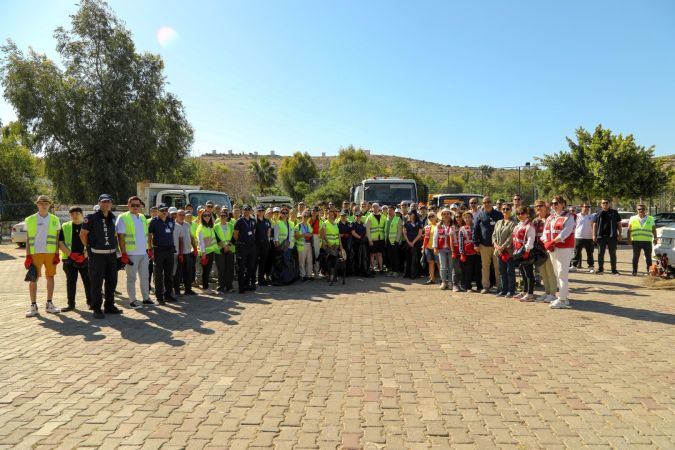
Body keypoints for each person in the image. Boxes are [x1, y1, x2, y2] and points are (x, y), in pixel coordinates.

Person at [80, 194, 121, 319]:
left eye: (108, 201)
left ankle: (109, 306)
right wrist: (89, 248)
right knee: (96, 283)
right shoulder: (91, 217)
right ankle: (96, 307)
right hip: (97, 255)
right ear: (99, 203)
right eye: (103, 202)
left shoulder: (113, 218)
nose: (106, 204)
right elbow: (83, 234)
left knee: (111, 282)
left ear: (111, 203)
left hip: (111, 255)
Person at [24, 195, 62, 317]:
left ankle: (49, 304)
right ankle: (33, 306)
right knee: (33, 278)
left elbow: (56, 239)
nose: (44, 205)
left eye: (46, 203)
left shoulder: (55, 219)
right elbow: (28, 239)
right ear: (37, 204)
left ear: (49, 205)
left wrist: (57, 253)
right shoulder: (29, 219)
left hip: (51, 253)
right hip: (35, 254)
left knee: (50, 277)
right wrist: (27, 256)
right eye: (41, 203)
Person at [116, 196, 153, 309]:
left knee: (145, 277)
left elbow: (146, 235)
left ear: (141, 206)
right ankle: (133, 301)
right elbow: (120, 237)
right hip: (131, 254)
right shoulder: (123, 217)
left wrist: (149, 250)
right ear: (128, 206)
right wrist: (124, 254)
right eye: (133, 205)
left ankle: (146, 298)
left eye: (138, 205)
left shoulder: (142, 217)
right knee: (131, 278)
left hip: (143, 253)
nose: (136, 207)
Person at [542, 196, 576, 309]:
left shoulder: (569, 217)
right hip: (552, 248)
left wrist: (552, 242)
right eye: (552, 203)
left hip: (564, 248)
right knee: (557, 273)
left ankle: (562, 299)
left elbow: (565, 233)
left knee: (562, 273)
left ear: (563, 204)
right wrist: (546, 242)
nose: (554, 205)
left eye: (556, 203)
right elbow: (544, 233)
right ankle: (563, 297)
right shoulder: (550, 217)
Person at [58, 206, 91, 312]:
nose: (74, 216)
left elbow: (92, 242)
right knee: (71, 282)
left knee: (88, 282)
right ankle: (71, 304)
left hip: (85, 259)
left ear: (82, 214)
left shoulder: (89, 226)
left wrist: (85, 255)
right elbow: (60, 243)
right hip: (70, 259)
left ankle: (91, 303)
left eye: (77, 213)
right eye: (72, 214)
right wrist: (70, 254)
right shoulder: (65, 226)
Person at [473, 196, 503, 293]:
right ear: (483, 204)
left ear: (492, 202)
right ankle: (486, 286)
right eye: (485, 202)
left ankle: (500, 287)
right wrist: (476, 244)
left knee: (498, 267)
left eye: (489, 202)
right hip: (484, 246)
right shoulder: (480, 215)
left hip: (497, 246)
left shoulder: (499, 215)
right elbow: (475, 230)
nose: (487, 204)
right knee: (485, 267)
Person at [533, 200, 557, 302]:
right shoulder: (535, 221)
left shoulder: (551, 219)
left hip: (549, 249)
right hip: (539, 250)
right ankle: (547, 292)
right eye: (537, 206)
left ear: (546, 207)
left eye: (541, 206)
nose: (539, 208)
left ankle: (552, 293)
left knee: (550, 272)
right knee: (543, 272)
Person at [512, 206, 536, 302]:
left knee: (529, 273)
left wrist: (527, 251)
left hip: (526, 252)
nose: (520, 215)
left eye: (522, 213)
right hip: (518, 252)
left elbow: (531, 239)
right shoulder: (518, 225)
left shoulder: (529, 226)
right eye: (518, 214)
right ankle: (525, 291)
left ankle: (530, 294)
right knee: (523, 273)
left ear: (527, 214)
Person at [592, 199, 622, 275]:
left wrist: (620, 233)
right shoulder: (598, 213)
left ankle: (614, 270)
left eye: (606, 203)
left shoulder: (614, 212)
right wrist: (593, 235)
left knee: (612, 254)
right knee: (600, 254)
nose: (605, 204)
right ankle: (600, 269)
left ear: (609, 204)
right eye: (603, 203)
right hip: (601, 237)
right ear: (601, 204)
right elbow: (594, 224)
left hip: (612, 236)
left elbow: (619, 223)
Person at [493, 203, 516, 298]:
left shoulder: (513, 223)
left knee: (510, 271)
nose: (505, 211)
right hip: (498, 251)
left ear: (511, 210)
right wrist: (496, 244)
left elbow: (511, 237)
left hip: (508, 251)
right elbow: (493, 234)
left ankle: (511, 291)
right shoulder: (498, 222)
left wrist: (503, 246)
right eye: (503, 209)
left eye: (507, 209)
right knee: (502, 271)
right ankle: (503, 290)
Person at [627, 204, 657, 276]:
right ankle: (634, 271)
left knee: (648, 257)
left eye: (643, 209)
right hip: (636, 241)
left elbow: (654, 229)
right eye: (639, 209)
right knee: (635, 257)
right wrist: (629, 239)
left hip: (647, 241)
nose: (641, 210)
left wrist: (655, 238)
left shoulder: (650, 218)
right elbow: (629, 230)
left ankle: (649, 271)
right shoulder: (632, 218)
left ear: (645, 210)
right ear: (637, 210)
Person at [234, 205, 258, 292]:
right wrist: (241, 242)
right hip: (242, 247)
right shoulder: (239, 221)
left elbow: (254, 232)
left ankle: (247, 284)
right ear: (242, 211)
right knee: (242, 267)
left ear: (251, 211)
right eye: (245, 210)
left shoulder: (253, 221)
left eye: (248, 209)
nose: (247, 211)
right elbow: (235, 235)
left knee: (251, 267)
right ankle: (241, 287)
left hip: (251, 247)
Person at [174, 209, 197, 296]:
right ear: (176, 215)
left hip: (187, 252)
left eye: (183, 215)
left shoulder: (187, 225)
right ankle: (177, 290)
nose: (182, 216)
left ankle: (188, 289)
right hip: (177, 253)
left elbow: (191, 237)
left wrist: (195, 248)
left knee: (188, 271)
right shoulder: (173, 225)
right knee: (177, 273)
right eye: (180, 214)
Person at [272, 207, 296, 285]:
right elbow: (276, 237)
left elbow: (292, 235)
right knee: (281, 264)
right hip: (281, 247)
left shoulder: (291, 223)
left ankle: (287, 279)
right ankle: (280, 279)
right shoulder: (277, 223)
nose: (285, 214)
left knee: (288, 263)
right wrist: (278, 247)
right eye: (283, 213)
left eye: (286, 213)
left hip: (289, 247)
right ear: (280, 214)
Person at [196, 209, 219, 294]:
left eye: (208, 215)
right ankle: (205, 288)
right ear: (201, 217)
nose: (207, 217)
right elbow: (201, 242)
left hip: (210, 251)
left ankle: (206, 287)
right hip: (205, 252)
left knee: (208, 270)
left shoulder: (209, 226)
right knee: (205, 271)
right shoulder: (201, 227)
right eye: (205, 215)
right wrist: (203, 253)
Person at [458, 211, 481, 292]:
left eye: (469, 217)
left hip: (476, 251)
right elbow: (460, 241)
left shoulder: (476, 226)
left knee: (478, 270)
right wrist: (462, 253)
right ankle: (468, 286)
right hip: (467, 253)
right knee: (468, 270)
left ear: (472, 218)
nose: (467, 219)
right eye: (466, 217)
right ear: (463, 219)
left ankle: (479, 286)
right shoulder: (462, 229)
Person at [570, 202, 595, 273]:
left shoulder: (591, 216)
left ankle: (591, 267)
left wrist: (593, 235)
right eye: (585, 207)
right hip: (578, 237)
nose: (587, 208)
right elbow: (573, 226)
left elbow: (593, 227)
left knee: (589, 253)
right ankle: (574, 266)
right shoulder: (576, 216)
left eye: (588, 207)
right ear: (581, 207)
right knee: (577, 253)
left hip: (589, 237)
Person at [215, 209, 236, 293]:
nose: (223, 217)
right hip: (220, 250)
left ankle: (229, 286)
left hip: (230, 249)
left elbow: (234, 236)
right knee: (221, 269)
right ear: (219, 217)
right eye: (221, 216)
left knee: (230, 269)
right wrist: (224, 246)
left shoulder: (231, 225)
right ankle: (221, 287)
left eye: (225, 216)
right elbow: (215, 238)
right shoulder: (215, 226)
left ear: (227, 217)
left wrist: (229, 246)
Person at [433, 208, 453, 290]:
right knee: (443, 266)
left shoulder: (453, 224)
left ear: (450, 215)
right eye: (444, 214)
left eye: (447, 214)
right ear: (441, 216)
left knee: (451, 266)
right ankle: (444, 282)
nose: (446, 215)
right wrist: (435, 247)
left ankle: (451, 282)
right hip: (441, 249)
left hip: (451, 249)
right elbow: (435, 237)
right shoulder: (438, 225)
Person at [254, 206, 272, 285]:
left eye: (262, 210)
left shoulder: (267, 221)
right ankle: (253, 279)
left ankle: (261, 280)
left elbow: (268, 233)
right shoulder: (254, 221)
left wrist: (267, 242)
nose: (261, 212)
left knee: (263, 262)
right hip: (256, 244)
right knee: (254, 262)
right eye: (259, 210)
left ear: (264, 212)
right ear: (257, 212)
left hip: (265, 244)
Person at [403, 210, 423, 279]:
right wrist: (409, 242)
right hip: (408, 243)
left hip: (416, 243)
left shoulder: (419, 223)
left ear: (414, 214)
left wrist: (413, 242)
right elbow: (404, 234)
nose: (409, 215)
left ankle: (416, 274)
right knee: (408, 259)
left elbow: (420, 234)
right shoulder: (406, 223)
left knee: (416, 259)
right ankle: (408, 273)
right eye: (408, 214)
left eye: (410, 213)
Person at [384, 206, 403, 277]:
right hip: (388, 241)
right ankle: (391, 270)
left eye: (391, 210)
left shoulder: (398, 219)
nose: (389, 212)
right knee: (390, 257)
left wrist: (397, 240)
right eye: (388, 211)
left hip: (395, 241)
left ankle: (396, 271)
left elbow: (400, 231)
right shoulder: (387, 219)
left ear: (394, 211)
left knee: (396, 257)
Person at [351, 211, 370, 276]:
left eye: (360, 216)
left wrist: (365, 237)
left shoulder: (363, 223)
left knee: (364, 257)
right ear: (355, 216)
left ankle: (363, 270)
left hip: (363, 242)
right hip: (356, 242)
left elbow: (366, 231)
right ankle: (357, 271)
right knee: (357, 257)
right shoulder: (353, 223)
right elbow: (353, 232)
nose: (358, 217)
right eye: (357, 216)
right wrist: (360, 237)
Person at [296, 211, 314, 281]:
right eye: (304, 216)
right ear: (302, 217)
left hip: (308, 244)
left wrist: (310, 234)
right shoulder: (298, 226)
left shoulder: (309, 225)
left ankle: (309, 275)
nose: (306, 218)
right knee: (302, 261)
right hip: (301, 245)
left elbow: (311, 233)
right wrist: (304, 235)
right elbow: (296, 236)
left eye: (307, 217)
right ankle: (302, 275)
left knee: (309, 261)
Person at [422, 212, 438, 285]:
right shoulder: (428, 226)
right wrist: (423, 247)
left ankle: (442, 279)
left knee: (439, 263)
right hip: (428, 247)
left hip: (437, 247)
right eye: (429, 217)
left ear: (436, 216)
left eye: (432, 216)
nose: (431, 218)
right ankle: (432, 279)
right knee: (430, 263)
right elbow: (425, 237)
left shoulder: (439, 225)